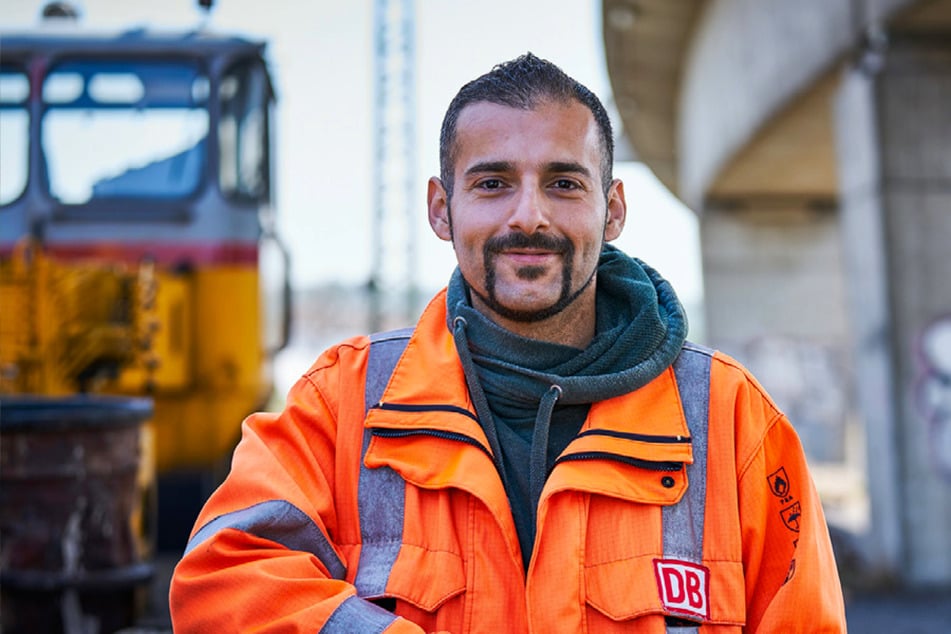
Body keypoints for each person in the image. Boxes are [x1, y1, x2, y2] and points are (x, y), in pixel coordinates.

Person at [170, 53, 846, 632]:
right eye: (492, 183)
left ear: (611, 209)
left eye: (563, 183)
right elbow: (221, 576)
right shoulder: (341, 405)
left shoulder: (731, 421)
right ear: (442, 209)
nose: (529, 215)